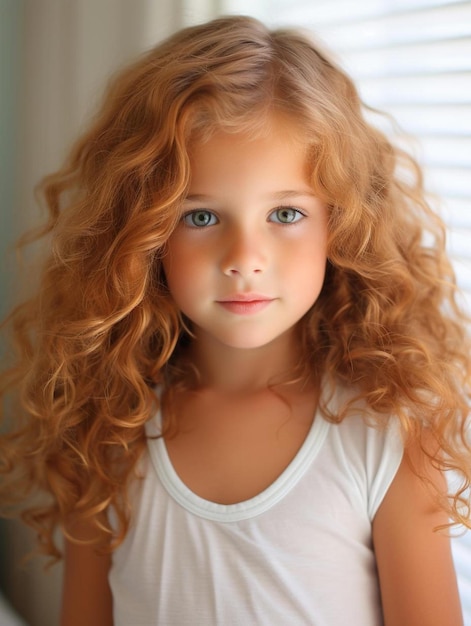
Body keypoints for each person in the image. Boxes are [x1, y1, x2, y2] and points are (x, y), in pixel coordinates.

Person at [0, 14, 470, 626]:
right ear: (141, 234)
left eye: (284, 214)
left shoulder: (388, 435)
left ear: (344, 222)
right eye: (200, 217)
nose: (245, 260)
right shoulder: (108, 428)